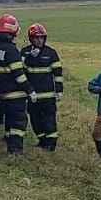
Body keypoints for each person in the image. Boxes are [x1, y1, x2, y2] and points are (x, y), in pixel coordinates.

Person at [0, 15, 30, 155]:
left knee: (9, 120)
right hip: (16, 94)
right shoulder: (11, 50)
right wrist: (30, 90)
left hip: (2, 93)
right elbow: (18, 75)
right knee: (18, 122)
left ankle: (9, 145)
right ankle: (16, 150)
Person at [22, 22, 65, 151]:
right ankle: (42, 140)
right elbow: (20, 70)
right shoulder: (25, 52)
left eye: (42, 37)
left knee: (49, 120)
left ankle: (51, 144)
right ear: (31, 38)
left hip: (48, 96)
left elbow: (57, 73)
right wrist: (29, 57)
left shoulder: (51, 53)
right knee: (35, 120)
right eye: (37, 37)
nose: (39, 40)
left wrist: (59, 90)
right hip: (32, 95)